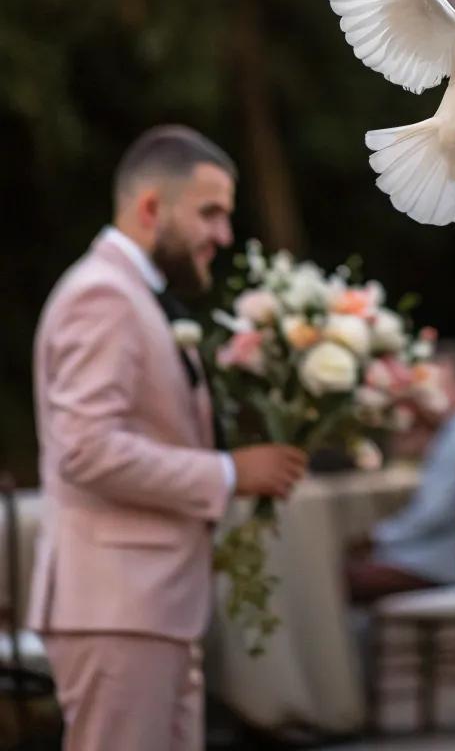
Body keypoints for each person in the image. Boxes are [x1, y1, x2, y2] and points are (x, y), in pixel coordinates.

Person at [29, 126, 307, 751]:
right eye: (210, 213)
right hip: (116, 607)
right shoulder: (102, 296)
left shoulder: (133, 295)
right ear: (152, 207)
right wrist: (232, 473)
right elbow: (87, 450)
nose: (224, 236)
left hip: (146, 609)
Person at [347, 341, 455, 601]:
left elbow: (434, 513)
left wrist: (377, 537)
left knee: (347, 577)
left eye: (439, 386)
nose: (429, 394)